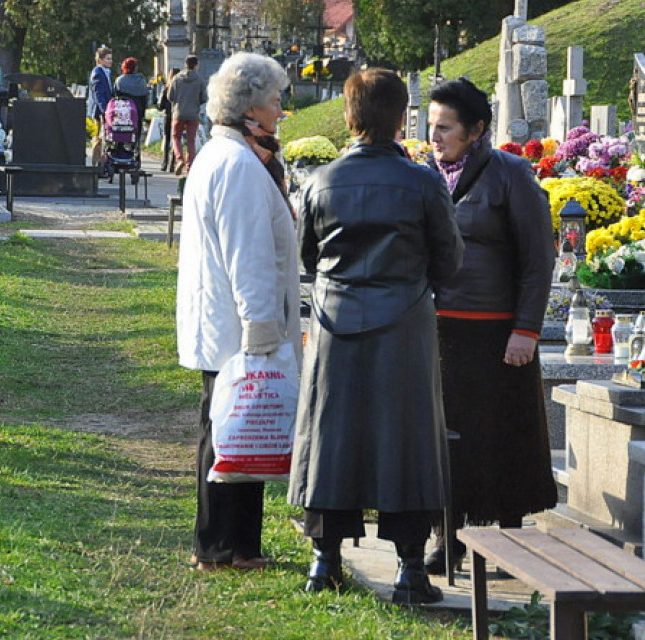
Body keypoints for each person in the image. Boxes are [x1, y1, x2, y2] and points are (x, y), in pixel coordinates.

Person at [288, 68, 463, 603]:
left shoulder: (321, 182)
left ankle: (325, 560)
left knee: (330, 435)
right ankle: (410, 569)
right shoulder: (424, 182)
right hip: (404, 320)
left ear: (349, 116)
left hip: (335, 320)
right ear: (401, 117)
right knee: (407, 439)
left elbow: (307, 256)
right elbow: (449, 260)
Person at [423, 77, 557, 575]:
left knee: (503, 434)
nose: (435, 137)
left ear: (476, 130)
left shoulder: (510, 174)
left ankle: (510, 539)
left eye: (446, 127)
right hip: (441, 330)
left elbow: (538, 260)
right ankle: (448, 536)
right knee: (448, 437)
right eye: (432, 126)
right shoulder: (424, 176)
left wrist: (527, 329)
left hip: (498, 331)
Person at [175, 52, 300, 572]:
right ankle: (219, 546)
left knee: (239, 429)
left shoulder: (226, 156)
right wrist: (261, 327)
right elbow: (247, 255)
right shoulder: (237, 166)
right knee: (228, 431)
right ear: (250, 108)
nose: (280, 110)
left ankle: (240, 544)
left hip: (225, 319)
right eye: (274, 100)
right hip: (236, 324)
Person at [164, 54, 208, 175]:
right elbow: (204, 98)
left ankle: (179, 159)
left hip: (178, 113)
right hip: (193, 114)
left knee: (176, 137)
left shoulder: (177, 78)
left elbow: (170, 96)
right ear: (196, 65)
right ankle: (190, 167)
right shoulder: (200, 80)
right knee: (191, 141)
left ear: (185, 64)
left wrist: (179, 101)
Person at [88, 47, 114, 168]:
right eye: (107, 59)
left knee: (103, 138)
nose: (110, 61)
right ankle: (96, 165)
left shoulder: (105, 72)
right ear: (100, 60)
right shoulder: (98, 73)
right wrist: (104, 110)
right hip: (99, 111)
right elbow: (98, 94)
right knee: (98, 139)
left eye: (111, 58)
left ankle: (101, 164)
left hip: (104, 110)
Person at [113, 57, 149, 139]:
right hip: (137, 110)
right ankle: (136, 142)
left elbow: (114, 95)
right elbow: (144, 97)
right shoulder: (141, 80)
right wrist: (143, 113)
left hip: (123, 111)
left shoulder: (119, 80)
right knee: (137, 131)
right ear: (135, 68)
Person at [158, 68, 180, 172]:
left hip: (168, 115)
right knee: (176, 138)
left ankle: (165, 162)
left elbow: (160, 105)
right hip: (177, 115)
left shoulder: (166, 88)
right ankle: (173, 162)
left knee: (167, 139)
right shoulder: (181, 89)